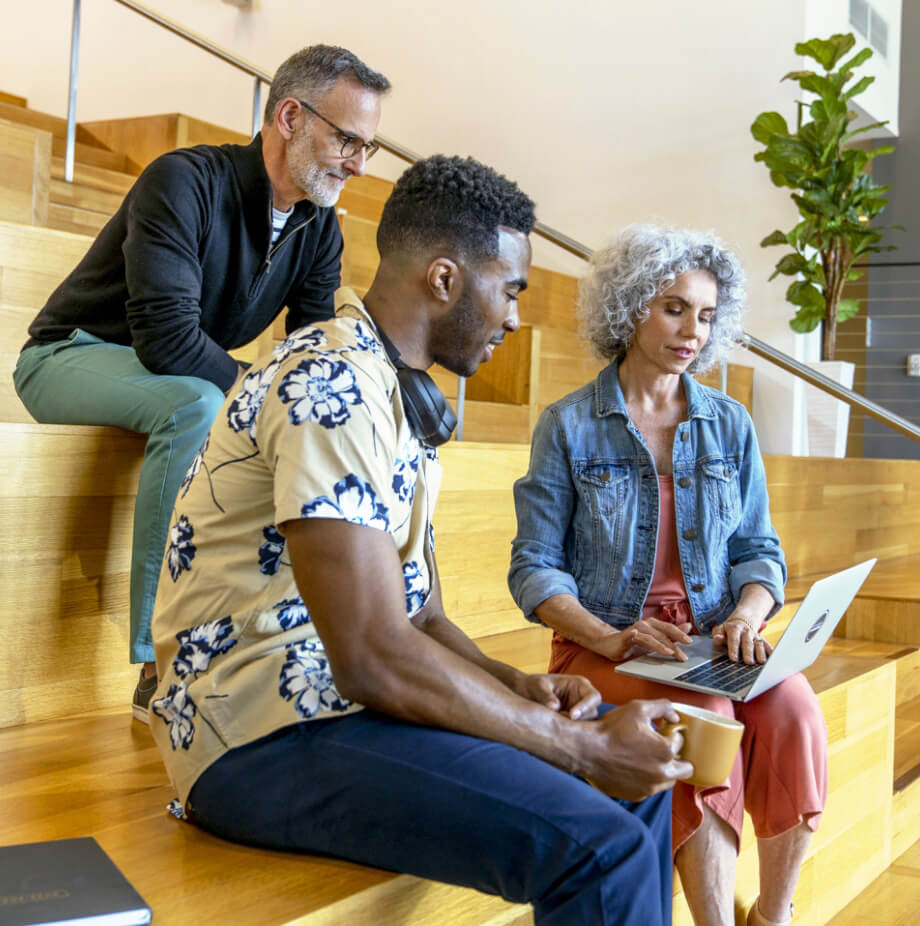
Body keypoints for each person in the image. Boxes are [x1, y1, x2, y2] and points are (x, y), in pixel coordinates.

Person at [147, 157, 692, 926]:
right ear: (444, 279)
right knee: (606, 841)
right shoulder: (332, 385)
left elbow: (423, 617)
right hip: (254, 734)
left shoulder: (398, 392)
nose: (513, 317)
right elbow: (372, 654)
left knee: (636, 783)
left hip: (334, 705)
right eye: (510, 290)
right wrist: (576, 750)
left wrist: (515, 686)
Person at [13, 45, 390, 720]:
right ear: (290, 116)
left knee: (295, 419)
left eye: (370, 146)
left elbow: (306, 351)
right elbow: (167, 342)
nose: (360, 165)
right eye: (348, 140)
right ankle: (160, 658)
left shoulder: (317, 228)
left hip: (168, 376)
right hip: (68, 356)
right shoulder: (183, 180)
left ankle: (291, 644)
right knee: (198, 401)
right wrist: (265, 391)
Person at [508, 225, 828, 926]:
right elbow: (533, 569)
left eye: (708, 316)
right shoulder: (567, 426)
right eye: (675, 307)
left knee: (797, 710)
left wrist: (746, 615)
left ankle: (771, 917)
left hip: (711, 642)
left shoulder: (730, 424)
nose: (693, 331)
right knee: (706, 720)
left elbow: (758, 550)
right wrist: (612, 635)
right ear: (629, 307)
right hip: (606, 645)